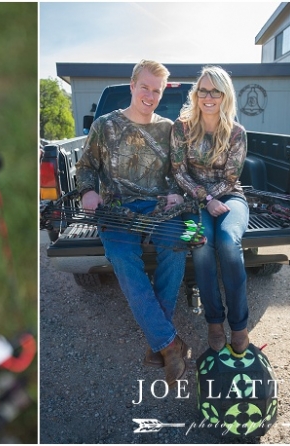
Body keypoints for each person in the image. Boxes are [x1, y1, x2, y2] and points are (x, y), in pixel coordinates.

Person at [74, 60, 190, 388]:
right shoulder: (104, 125)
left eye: (157, 90)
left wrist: (176, 194)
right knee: (125, 261)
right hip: (116, 210)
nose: (150, 95)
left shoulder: (168, 129)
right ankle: (168, 344)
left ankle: (160, 341)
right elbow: (86, 167)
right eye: (145, 87)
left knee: (176, 246)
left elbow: (178, 173)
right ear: (132, 85)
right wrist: (87, 191)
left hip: (158, 210)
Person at [170, 66, 249, 354]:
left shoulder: (237, 132)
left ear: (224, 95)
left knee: (228, 242)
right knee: (201, 244)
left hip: (231, 197)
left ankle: (239, 325)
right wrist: (205, 199)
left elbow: (231, 177)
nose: (209, 96)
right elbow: (178, 172)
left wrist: (214, 198)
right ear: (196, 94)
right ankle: (214, 323)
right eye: (203, 90)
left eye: (215, 90)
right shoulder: (182, 127)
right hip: (194, 200)